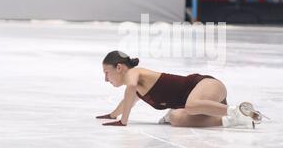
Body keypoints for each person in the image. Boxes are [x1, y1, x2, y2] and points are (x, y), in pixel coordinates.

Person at [96, 50, 267, 128]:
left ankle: (236, 111)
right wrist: (113, 115)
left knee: (190, 105)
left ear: (119, 68)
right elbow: (128, 100)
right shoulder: (138, 88)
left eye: (106, 73)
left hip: (207, 85)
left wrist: (123, 121)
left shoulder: (134, 73)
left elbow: (131, 88)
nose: (105, 79)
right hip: (205, 102)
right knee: (176, 117)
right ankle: (239, 119)